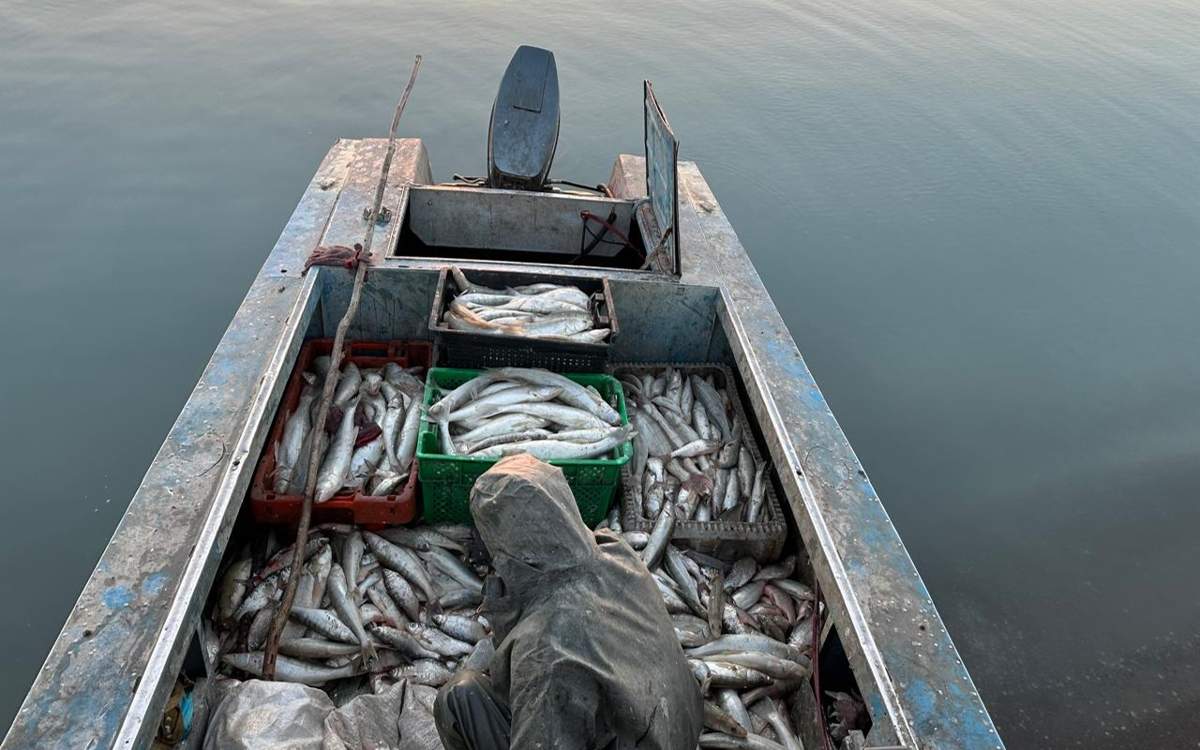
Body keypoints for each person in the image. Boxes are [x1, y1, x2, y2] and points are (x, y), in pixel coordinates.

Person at [434, 454, 703, 750]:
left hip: (640, 734)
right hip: (675, 726)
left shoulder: (545, 651)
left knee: (459, 699)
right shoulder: (615, 550)